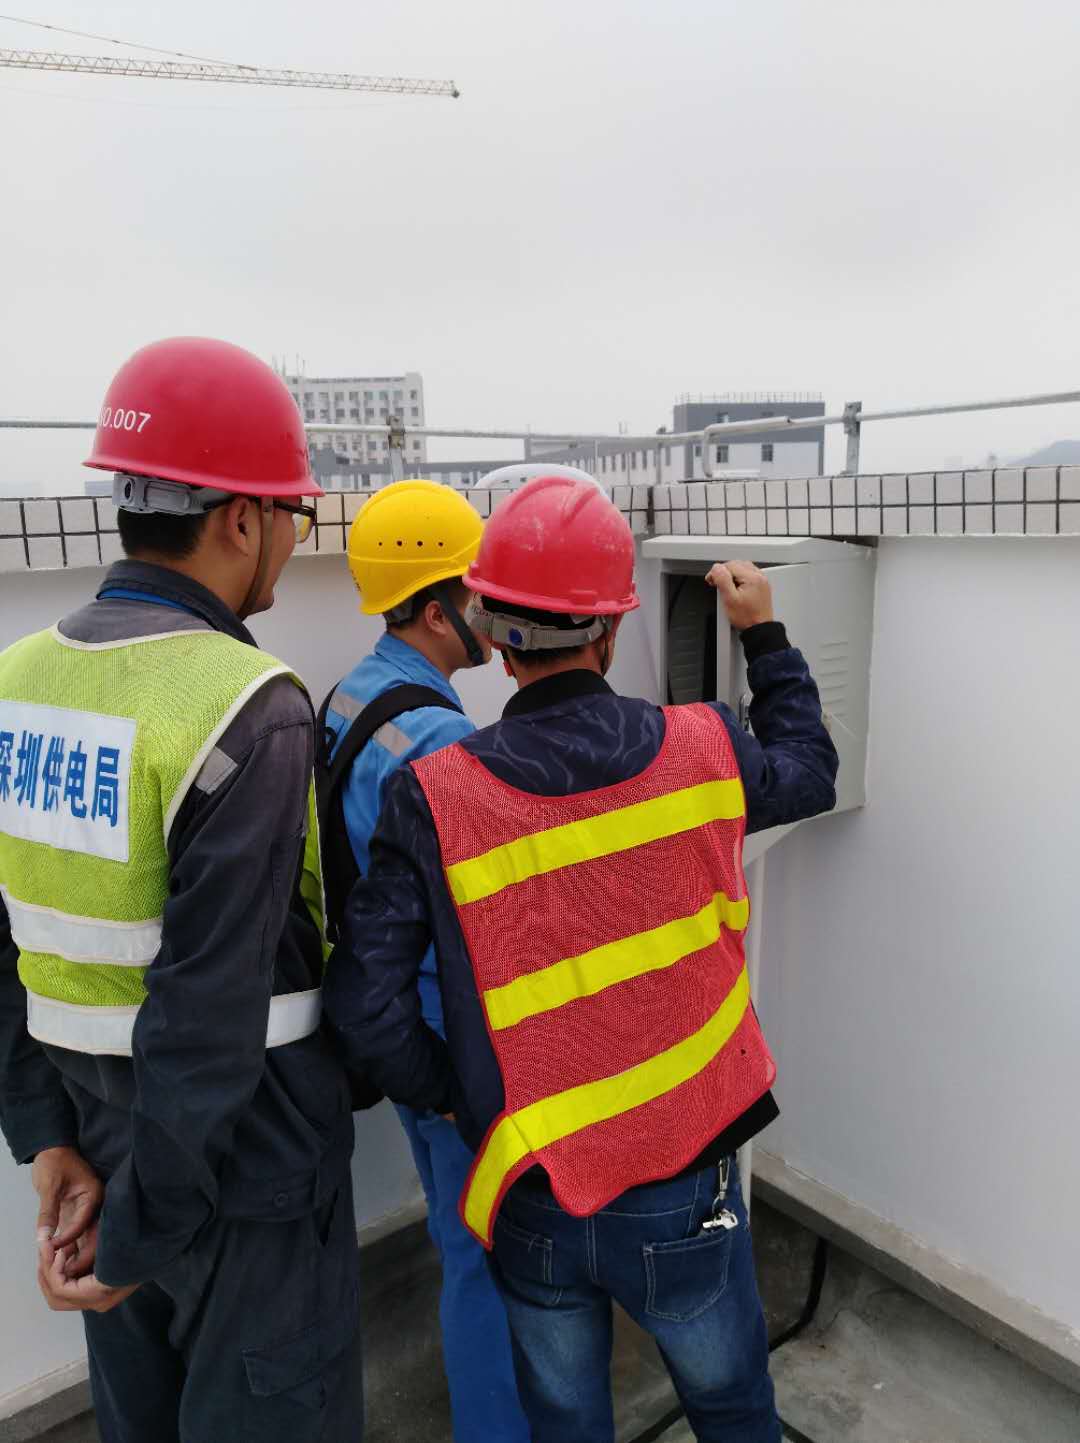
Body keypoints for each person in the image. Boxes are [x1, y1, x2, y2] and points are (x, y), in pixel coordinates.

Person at [324, 474, 840, 1443]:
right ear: (610, 629)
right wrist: (763, 636)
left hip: (535, 1195)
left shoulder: (434, 794)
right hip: (685, 1179)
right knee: (733, 1410)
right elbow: (811, 771)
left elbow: (365, 1005)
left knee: (564, 1426)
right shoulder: (705, 746)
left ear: (493, 629)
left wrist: (456, 1096)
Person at [0, 337, 362, 1443]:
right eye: (291, 513)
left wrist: (47, 1136)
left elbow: (10, 936)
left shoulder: (18, 680)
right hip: (243, 1165)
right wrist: (141, 1236)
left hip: (104, 1149)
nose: (293, 537)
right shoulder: (247, 704)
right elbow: (207, 1011)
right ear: (240, 519)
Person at [316, 479, 529, 1443]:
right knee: (487, 1253)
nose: (493, 608)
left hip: (394, 1022)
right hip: (447, 1034)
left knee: (458, 1234)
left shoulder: (350, 694)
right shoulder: (441, 739)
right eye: (477, 591)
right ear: (438, 611)